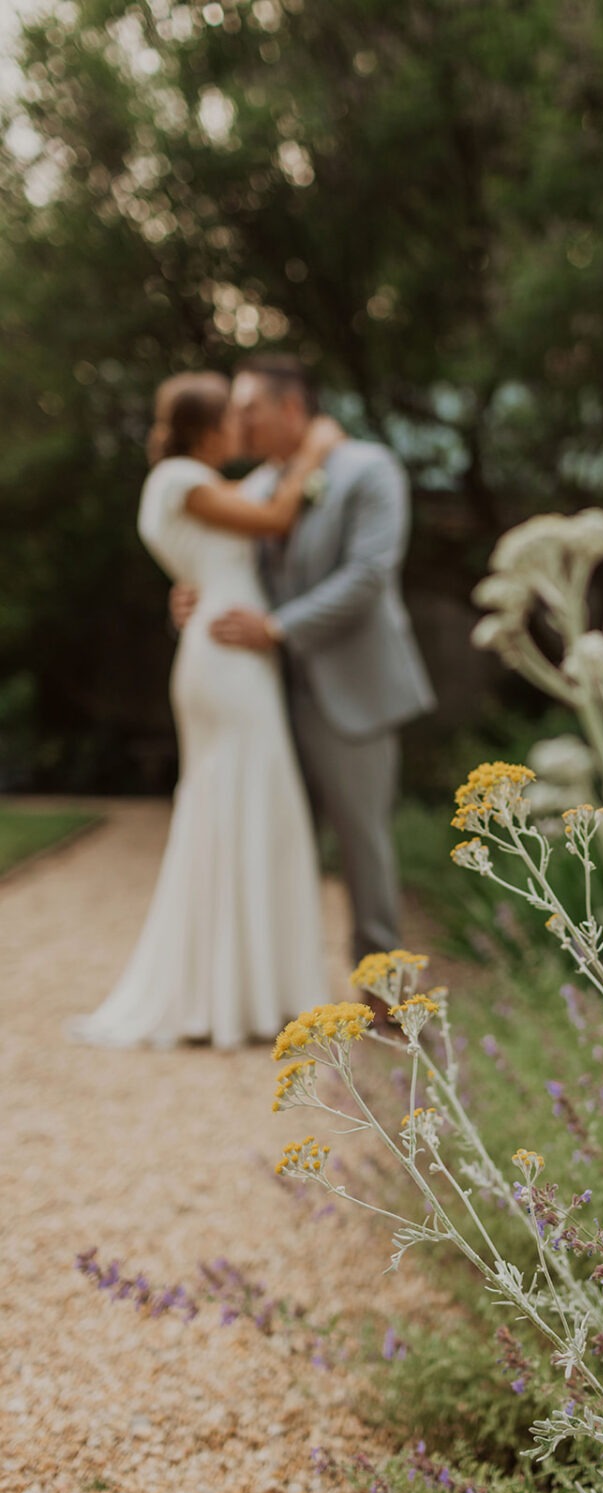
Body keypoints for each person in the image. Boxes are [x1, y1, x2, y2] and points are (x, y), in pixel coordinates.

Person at [69, 371, 342, 1049]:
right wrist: (316, 449)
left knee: (246, 804)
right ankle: (230, 995)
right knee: (239, 800)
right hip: (228, 657)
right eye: (234, 419)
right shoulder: (179, 480)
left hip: (223, 646)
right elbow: (275, 516)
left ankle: (252, 987)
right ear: (208, 428)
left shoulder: (203, 484)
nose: (243, 431)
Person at [175, 354, 436, 971]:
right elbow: (228, 568)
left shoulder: (369, 470)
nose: (237, 425)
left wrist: (276, 628)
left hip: (353, 690)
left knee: (361, 844)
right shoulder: (260, 490)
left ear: (291, 407)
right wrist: (193, 595)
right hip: (266, 694)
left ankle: (383, 991)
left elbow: (369, 576)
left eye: (249, 410)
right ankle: (276, 976)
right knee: (270, 836)